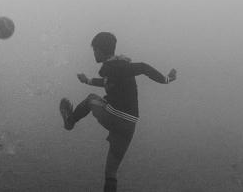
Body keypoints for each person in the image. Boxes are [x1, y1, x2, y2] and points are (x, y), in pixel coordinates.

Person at [60, 32, 177, 192]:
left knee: (90, 99)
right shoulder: (119, 67)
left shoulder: (114, 66)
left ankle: (70, 121)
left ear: (100, 50)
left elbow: (142, 67)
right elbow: (109, 81)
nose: (93, 54)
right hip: (129, 126)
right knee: (111, 172)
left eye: (94, 50)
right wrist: (87, 80)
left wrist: (166, 79)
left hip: (116, 116)